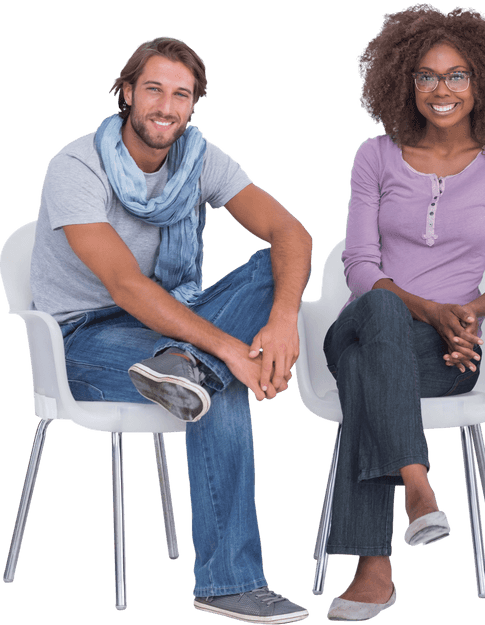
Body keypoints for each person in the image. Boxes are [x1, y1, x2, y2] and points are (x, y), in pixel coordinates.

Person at [28, 37, 312, 623]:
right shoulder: (76, 166)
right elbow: (126, 288)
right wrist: (233, 350)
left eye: (180, 94)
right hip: (84, 339)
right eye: (153, 89)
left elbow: (292, 234)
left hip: (172, 322)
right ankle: (229, 583)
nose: (166, 105)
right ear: (128, 93)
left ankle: (185, 367)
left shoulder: (200, 160)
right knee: (221, 386)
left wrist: (283, 321)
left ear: (192, 105)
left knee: (271, 270)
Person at [320, 5, 485, 621]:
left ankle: (374, 569)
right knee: (382, 312)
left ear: (483, 82)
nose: (441, 90)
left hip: (448, 350)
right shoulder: (376, 155)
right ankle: (417, 483)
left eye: (458, 75)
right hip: (365, 322)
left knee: (368, 374)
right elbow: (361, 264)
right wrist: (431, 309)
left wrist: (463, 314)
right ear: (404, 82)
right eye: (426, 76)